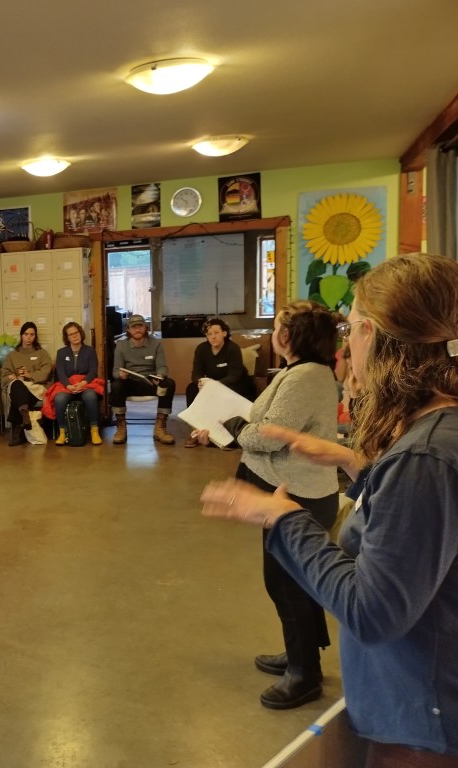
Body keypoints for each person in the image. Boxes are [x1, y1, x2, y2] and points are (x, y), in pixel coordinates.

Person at [202, 254, 458, 764]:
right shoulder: (439, 435)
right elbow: (423, 522)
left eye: (352, 330)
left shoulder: (425, 455)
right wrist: (355, 463)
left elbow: (373, 611)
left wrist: (281, 518)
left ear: (372, 333)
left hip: (421, 721)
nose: (346, 349)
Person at [198, 299, 340, 710]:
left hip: (300, 496)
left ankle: (305, 674)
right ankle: (301, 656)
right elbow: (265, 426)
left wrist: (237, 424)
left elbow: (267, 436)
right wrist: (231, 426)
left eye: (279, 325)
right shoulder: (301, 372)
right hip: (288, 489)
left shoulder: (306, 376)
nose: (275, 332)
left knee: (286, 583)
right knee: (291, 581)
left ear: (291, 335)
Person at [184, 317, 257, 448]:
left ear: (224, 333)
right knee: (191, 389)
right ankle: (195, 430)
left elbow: (235, 375)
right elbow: (196, 373)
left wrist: (215, 385)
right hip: (213, 384)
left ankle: (225, 434)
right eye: (209, 334)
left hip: (236, 383)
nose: (213, 337)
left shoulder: (232, 348)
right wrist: (200, 382)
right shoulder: (201, 349)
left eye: (216, 333)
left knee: (227, 394)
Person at [111, 314, 176, 445]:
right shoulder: (121, 345)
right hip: (130, 383)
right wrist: (120, 374)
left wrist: (160, 376)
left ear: (145, 328)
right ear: (128, 330)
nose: (137, 330)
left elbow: (162, 366)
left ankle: (160, 427)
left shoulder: (156, 344)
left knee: (169, 383)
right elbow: (115, 371)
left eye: (140, 326)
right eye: (133, 327)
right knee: (116, 385)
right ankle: (121, 427)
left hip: (151, 383)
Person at [47, 321, 104, 446]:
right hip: (68, 385)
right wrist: (69, 386)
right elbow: (60, 373)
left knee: (90, 396)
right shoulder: (61, 353)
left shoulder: (90, 351)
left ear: (80, 333)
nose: (74, 336)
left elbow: (93, 370)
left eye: (76, 332)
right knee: (59, 398)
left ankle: (94, 430)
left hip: (85, 384)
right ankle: (62, 432)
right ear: (67, 338)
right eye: (71, 334)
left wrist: (83, 383)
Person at [1, 322, 54, 447]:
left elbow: (46, 373)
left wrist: (29, 375)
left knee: (17, 396)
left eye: (32, 334)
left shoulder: (42, 353)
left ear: (35, 336)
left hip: (35, 388)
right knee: (17, 385)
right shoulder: (12, 355)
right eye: (26, 334)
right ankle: (25, 414)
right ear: (21, 335)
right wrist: (11, 376)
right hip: (18, 386)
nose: (29, 337)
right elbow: (4, 375)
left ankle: (18, 431)